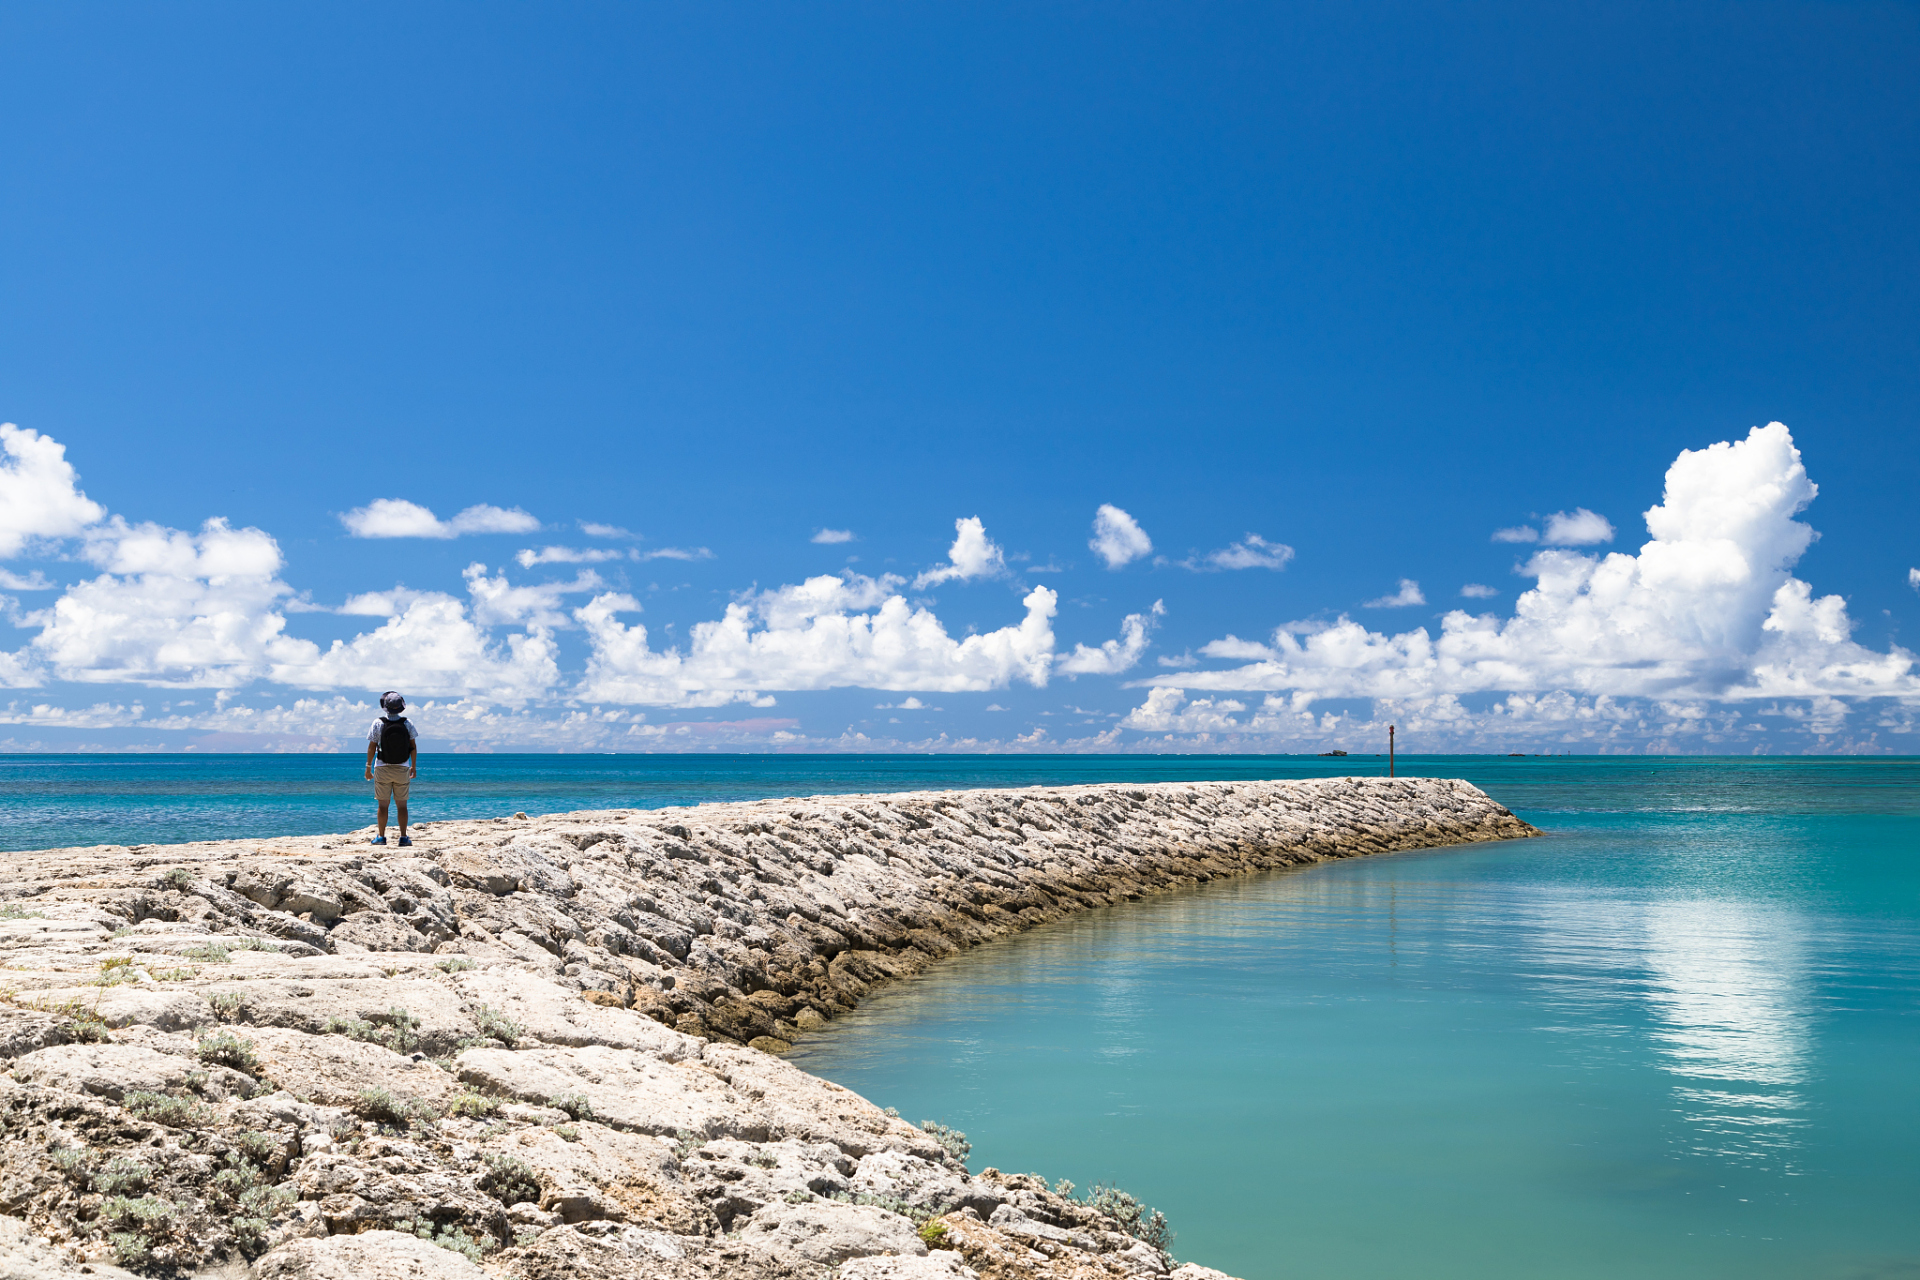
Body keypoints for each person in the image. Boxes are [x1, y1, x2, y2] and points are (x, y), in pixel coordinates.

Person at [364, 691, 419, 846]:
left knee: (383, 805)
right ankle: (403, 837)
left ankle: (381, 837)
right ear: (401, 707)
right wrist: (413, 766)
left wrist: (368, 767)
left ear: (385, 707)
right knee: (402, 805)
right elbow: (413, 747)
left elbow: (372, 747)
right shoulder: (407, 723)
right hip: (402, 767)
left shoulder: (378, 723)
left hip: (382, 767)